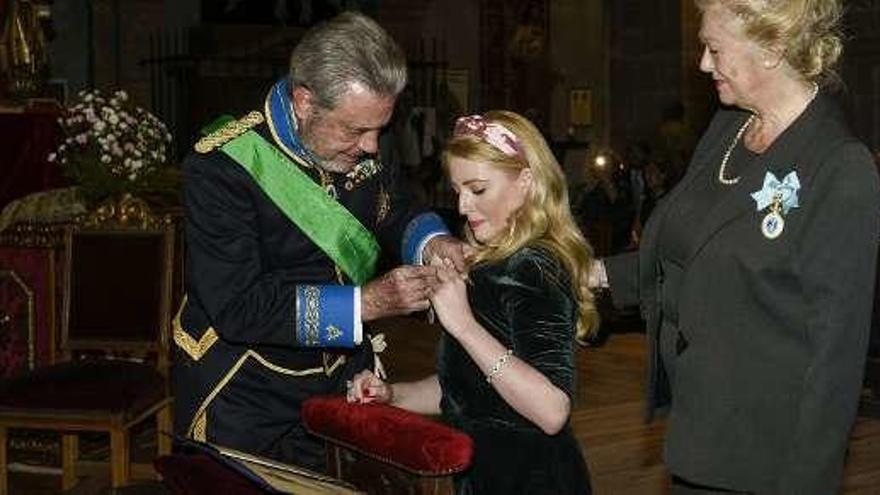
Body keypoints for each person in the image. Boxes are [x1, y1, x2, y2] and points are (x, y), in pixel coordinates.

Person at [593, 1, 880, 493]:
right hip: (699, 431)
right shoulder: (728, 128)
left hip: (765, 459)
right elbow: (687, 250)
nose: (703, 64)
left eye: (714, 48)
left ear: (770, 49)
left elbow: (836, 362)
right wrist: (586, 271)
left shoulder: (840, 169)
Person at [173, 11, 464, 471]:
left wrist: (433, 244)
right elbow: (239, 306)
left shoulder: (362, 131)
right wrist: (364, 305)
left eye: (379, 130)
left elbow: (398, 209)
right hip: (245, 389)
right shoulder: (221, 168)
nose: (372, 146)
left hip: (347, 379)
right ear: (304, 102)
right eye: (356, 131)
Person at [349, 111, 596, 494]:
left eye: (478, 189)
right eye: (458, 190)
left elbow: (551, 410)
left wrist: (464, 326)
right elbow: (465, 391)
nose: (463, 206)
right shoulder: (492, 261)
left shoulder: (537, 265)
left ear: (526, 182)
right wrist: (392, 394)